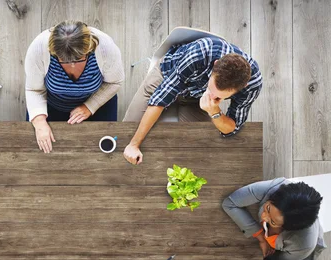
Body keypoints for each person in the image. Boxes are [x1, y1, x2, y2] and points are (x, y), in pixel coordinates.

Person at [122, 37, 263, 165]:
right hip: (166, 76)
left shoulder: (252, 85)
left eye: (219, 97)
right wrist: (134, 144)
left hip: (195, 99)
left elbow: (232, 128)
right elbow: (161, 99)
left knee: (197, 152)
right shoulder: (200, 52)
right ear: (215, 64)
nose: (212, 97)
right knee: (127, 134)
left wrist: (214, 111)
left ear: (243, 87)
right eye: (211, 89)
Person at [25, 20, 124, 153]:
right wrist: (39, 121)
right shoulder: (39, 47)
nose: (72, 65)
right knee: (39, 151)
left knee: (100, 153)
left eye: (78, 60)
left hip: (98, 105)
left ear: (89, 49)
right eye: (64, 60)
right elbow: (34, 89)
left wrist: (90, 106)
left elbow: (115, 82)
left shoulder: (105, 46)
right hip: (51, 105)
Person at [222, 178, 325, 260]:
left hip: (293, 253)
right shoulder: (274, 188)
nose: (263, 217)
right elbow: (229, 203)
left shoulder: (302, 245)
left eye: (273, 221)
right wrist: (261, 238)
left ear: (287, 228)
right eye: (267, 208)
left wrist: (269, 254)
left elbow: (280, 259)